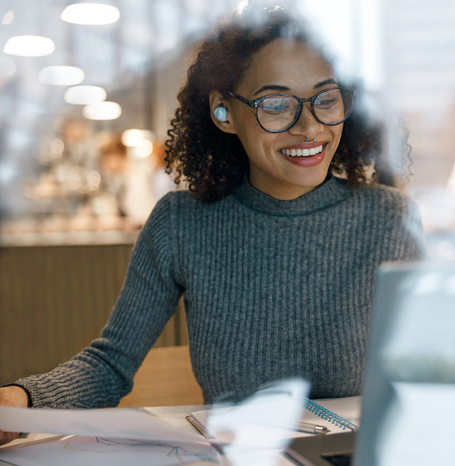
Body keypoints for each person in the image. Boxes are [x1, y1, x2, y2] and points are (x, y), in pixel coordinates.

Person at [0, 5, 423, 444]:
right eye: (276, 104)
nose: (310, 126)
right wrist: (19, 401)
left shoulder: (388, 219)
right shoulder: (181, 224)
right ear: (224, 112)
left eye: (325, 98)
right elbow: (110, 365)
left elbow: (431, 365)